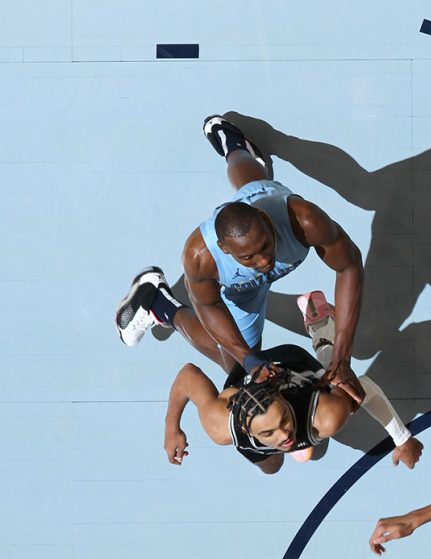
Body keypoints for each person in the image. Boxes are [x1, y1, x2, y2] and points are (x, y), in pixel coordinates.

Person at [114, 115, 366, 397]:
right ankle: (160, 304)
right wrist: (248, 360)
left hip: (263, 201)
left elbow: (349, 266)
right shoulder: (200, 257)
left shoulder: (304, 220)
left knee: (252, 185)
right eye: (249, 258)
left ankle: (234, 145)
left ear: (266, 219)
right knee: (232, 362)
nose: (264, 262)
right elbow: (209, 306)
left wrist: (342, 357)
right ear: (225, 249)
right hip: (238, 289)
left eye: (265, 246)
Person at [163, 292, 422, 474]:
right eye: (269, 432)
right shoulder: (219, 425)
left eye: (284, 420)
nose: (284, 434)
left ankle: (320, 323)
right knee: (272, 466)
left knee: (336, 377)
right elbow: (187, 376)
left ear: (286, 404)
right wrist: (171, 427)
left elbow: (363, 388)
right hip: (245, 376)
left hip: (293, 365)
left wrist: (403, 438)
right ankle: (164, 305)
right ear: (245, 428)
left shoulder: (326, 415)